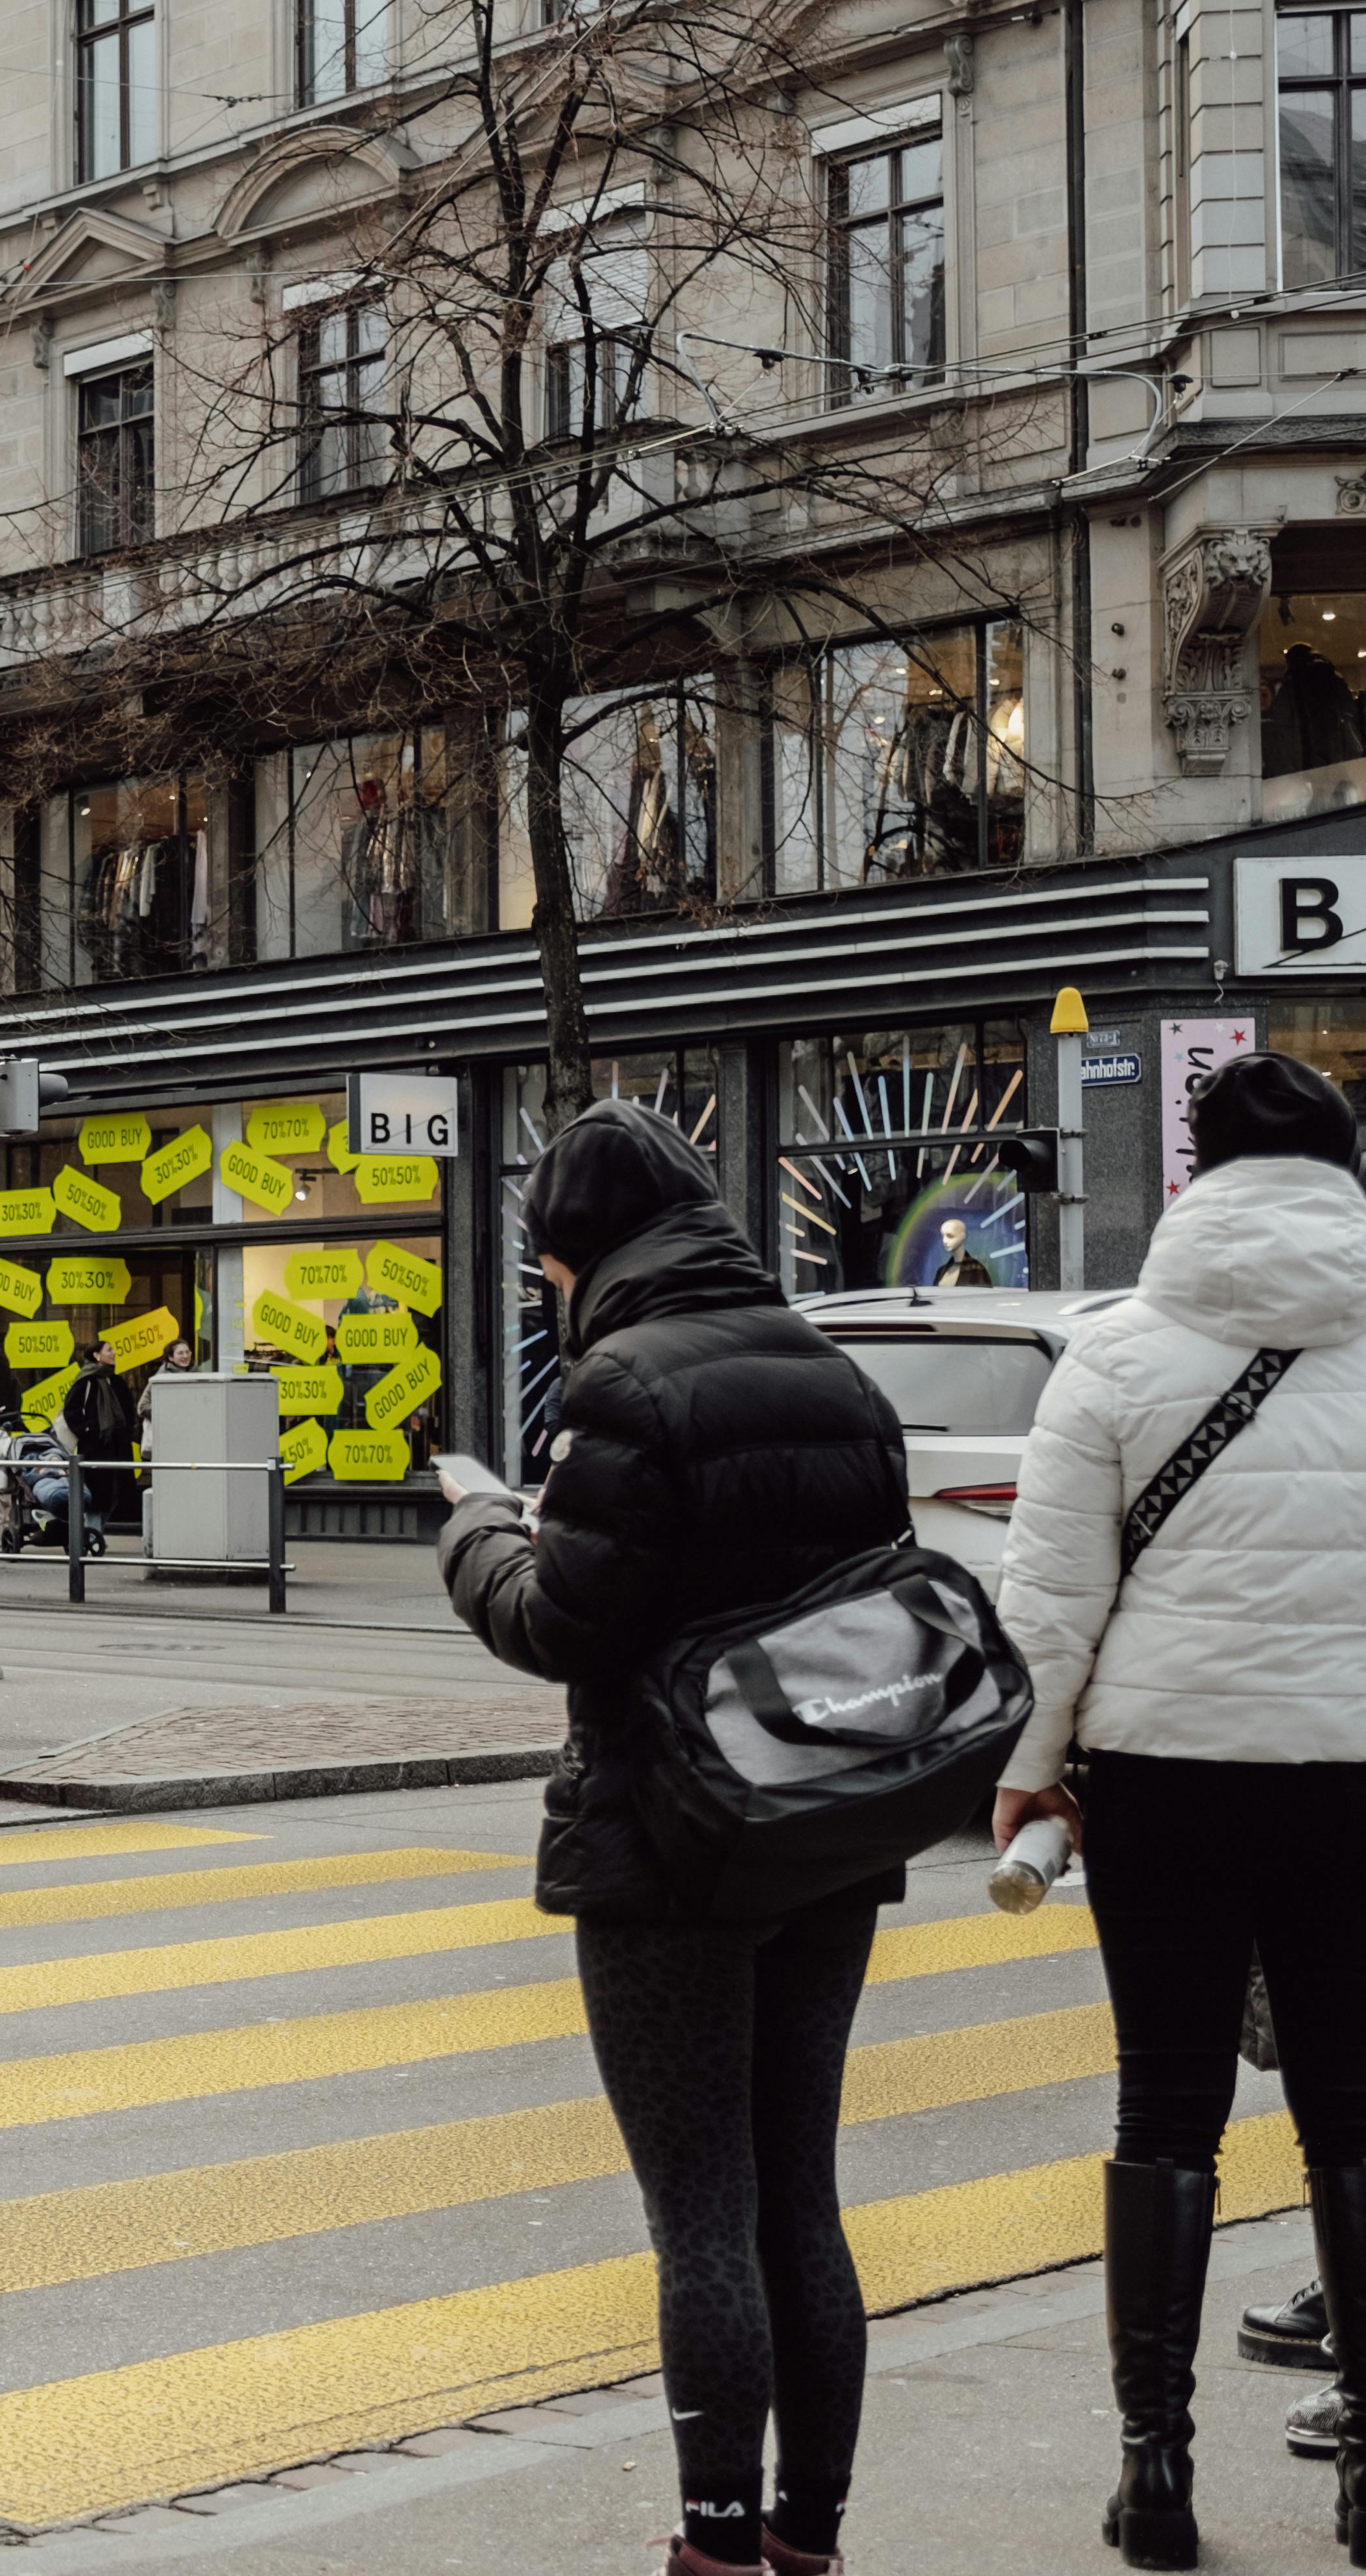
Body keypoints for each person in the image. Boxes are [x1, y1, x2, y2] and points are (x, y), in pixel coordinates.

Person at [437, 1100, 909, 2576]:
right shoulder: (836, 1374)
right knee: (797, 2197)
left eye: (542, 1267)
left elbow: (560, 1621)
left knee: (699, 2208)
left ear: (572, 1250)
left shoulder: (623, 1385)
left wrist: (475, 1530)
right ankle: (804, 2536)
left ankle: (709, 2545)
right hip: (823, 1831)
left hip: (668, 1844)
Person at [984, 1050, 1366, 2570]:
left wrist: (1030, 1765)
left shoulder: (1114, 1351)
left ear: (1195, 1172)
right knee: (1349, 2105)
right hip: (1354, 1776)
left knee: (1164, 2103)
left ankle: (1154, 2470)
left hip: (1160, 1777)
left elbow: (1051, 1600)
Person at [62, 1338, 138, 1541]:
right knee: (97, 1493)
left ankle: (96, 1535)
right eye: (109, 1350)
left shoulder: (117, 1381)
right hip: (95, 1445)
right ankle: (94, 1537)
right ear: (97, 1355)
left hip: (118, 1445)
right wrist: (88, 1429)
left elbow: (128, 1411)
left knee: (117, 1493)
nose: (114, 1353)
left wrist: (128, 1431)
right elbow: (72, 1410)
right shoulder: (86, 1380)